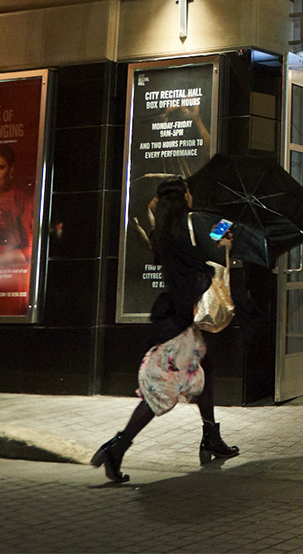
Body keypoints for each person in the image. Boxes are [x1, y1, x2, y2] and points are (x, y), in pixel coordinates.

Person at [91, 176, 240, 483]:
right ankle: (116, 448)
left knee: (206, 369)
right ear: (184, 196)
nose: (191, 196)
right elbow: (212, 251)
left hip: (174, 313)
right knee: (159, 394)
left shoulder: (163, 231)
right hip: (181, 322)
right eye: (188, 192)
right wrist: (227, 230)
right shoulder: (190, 223)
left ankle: (211, 435)